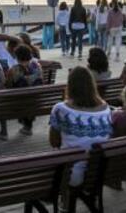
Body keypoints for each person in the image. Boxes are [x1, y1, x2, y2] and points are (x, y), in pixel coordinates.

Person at [49, 66, 112, 209]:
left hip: (72, 176)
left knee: (62, 154)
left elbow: (54, 142)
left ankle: (65, 201)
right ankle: (91, 197)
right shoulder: (106, 108)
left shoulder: (60, 109)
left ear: (70, 86)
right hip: (98, 173)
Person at [5, 44, 44, 135]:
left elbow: (9, 86)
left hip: (20, 102)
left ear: (17, 56)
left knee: (19, 96)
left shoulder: (13, 70)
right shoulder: (37, 66)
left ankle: (26, 125)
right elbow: (41, 81)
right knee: (28, 96)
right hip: (36, 100)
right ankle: (27, 124)